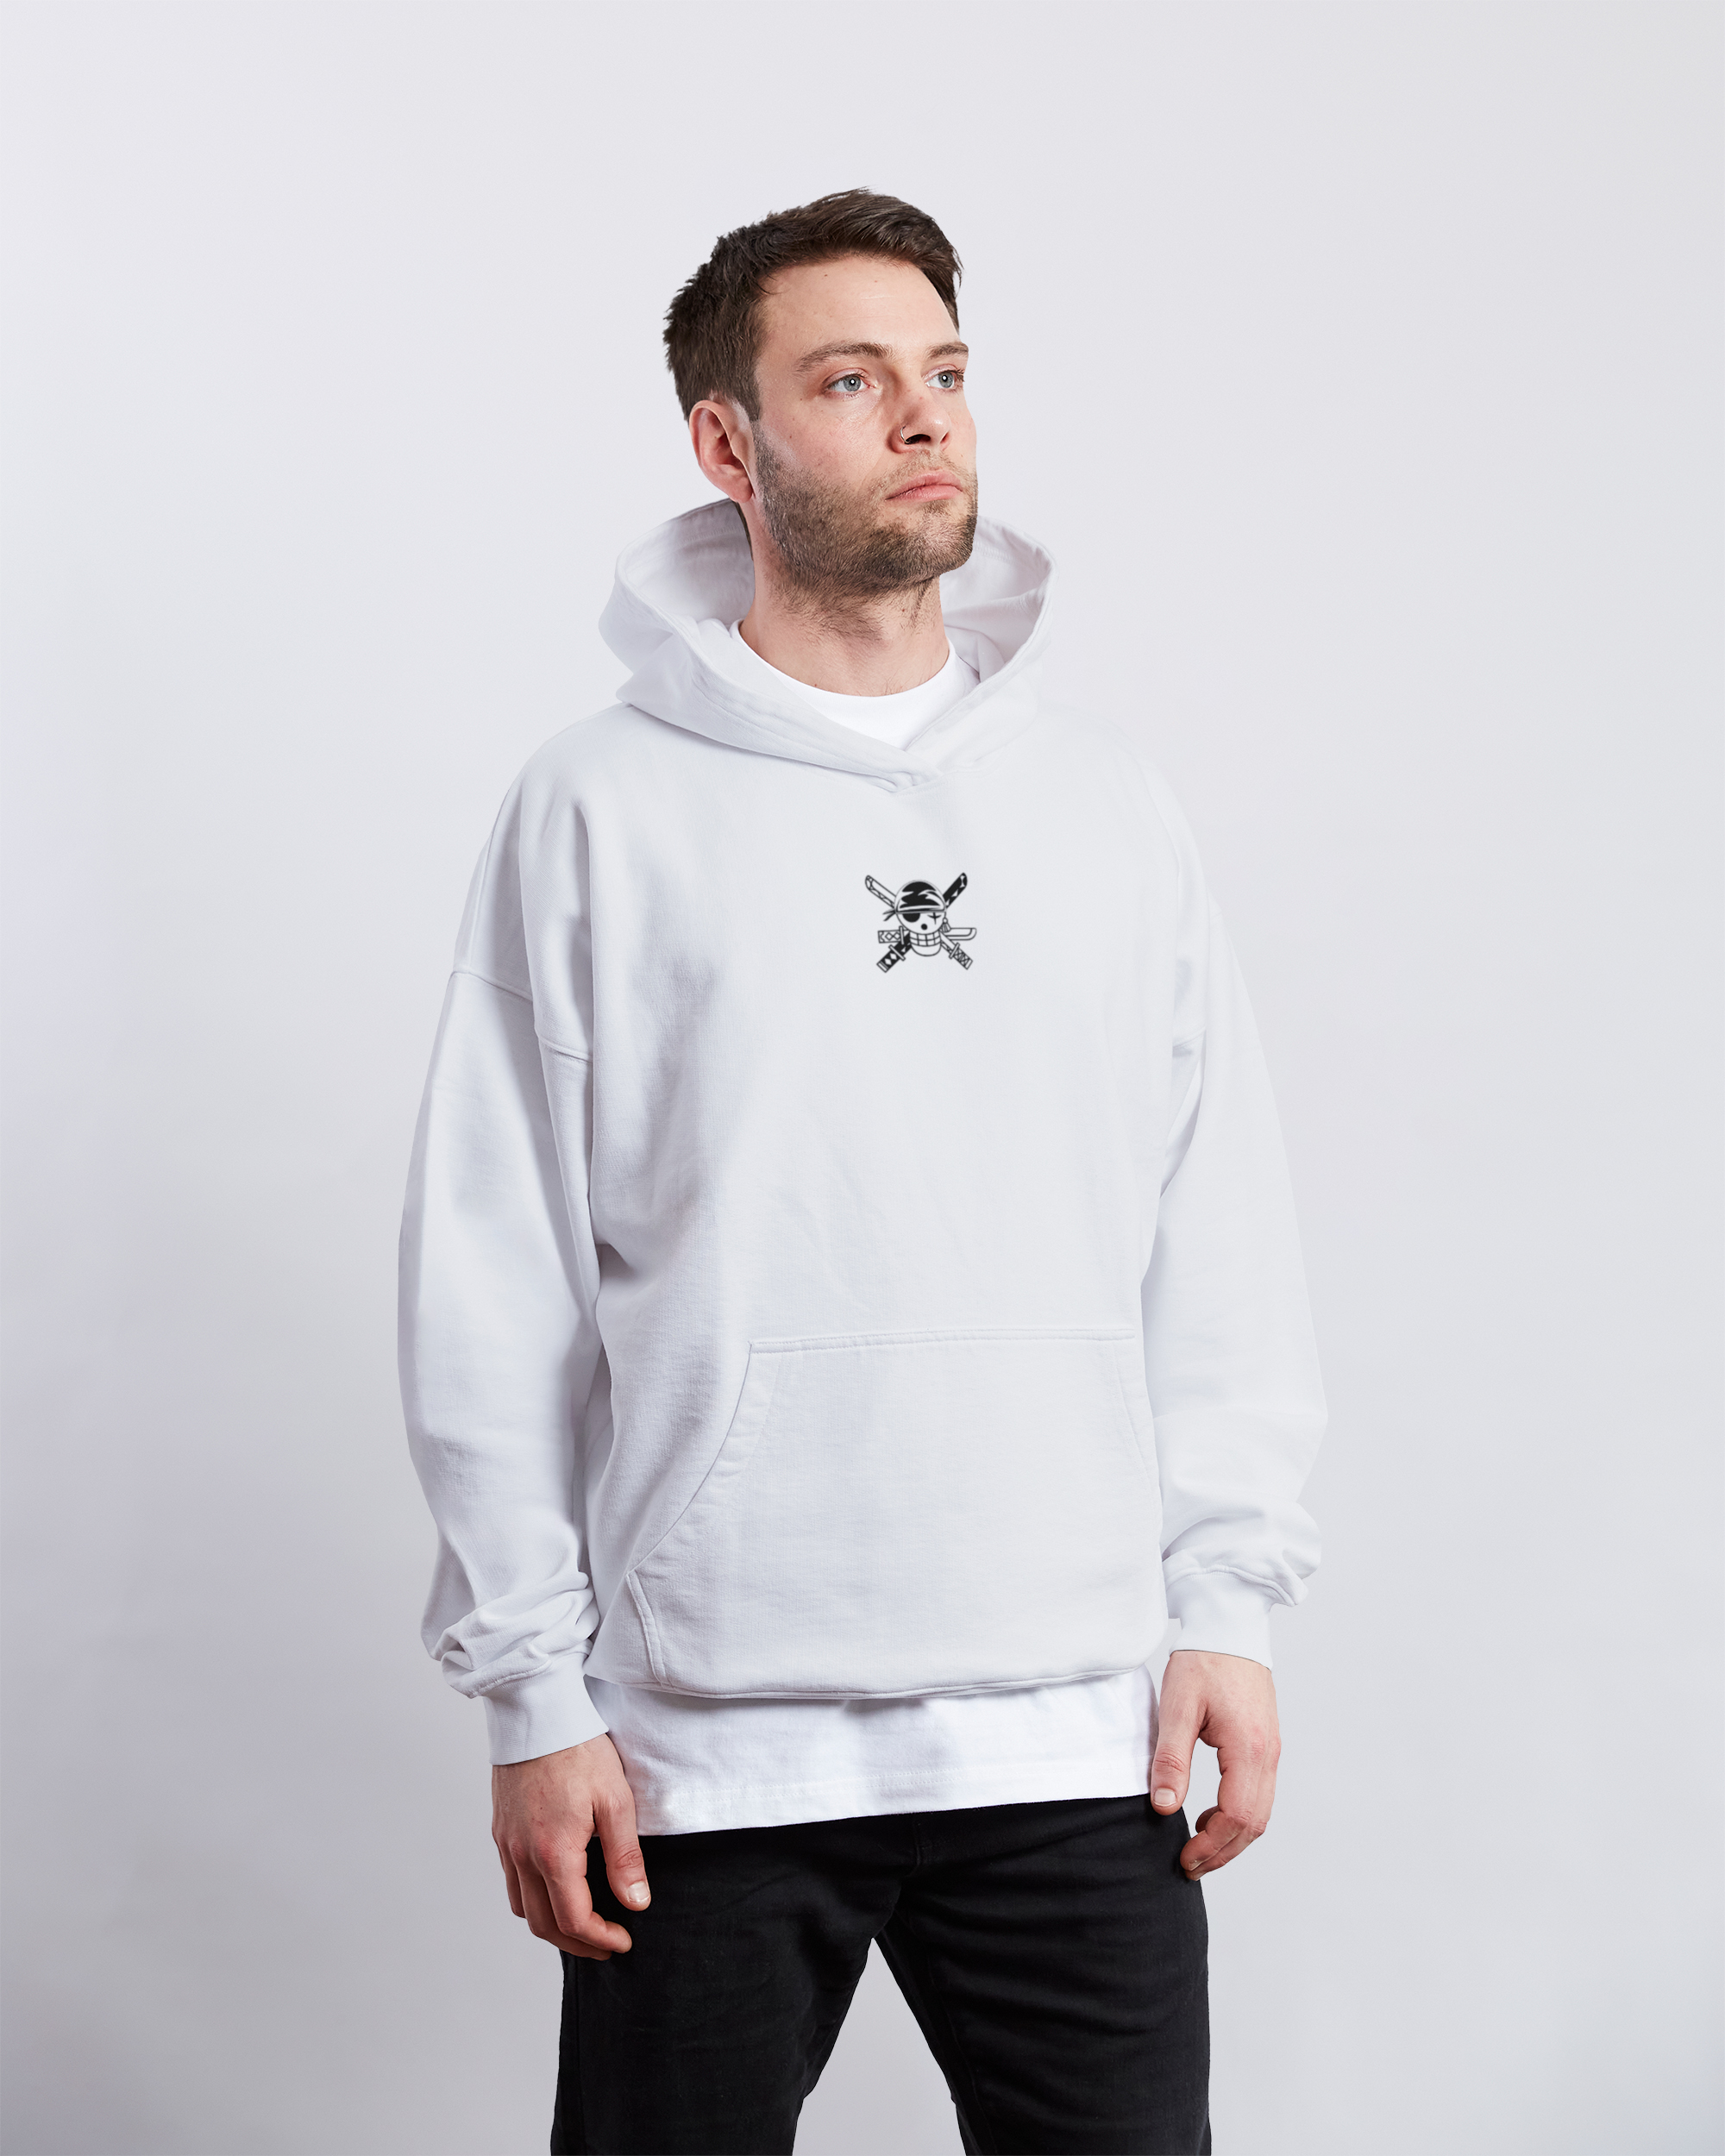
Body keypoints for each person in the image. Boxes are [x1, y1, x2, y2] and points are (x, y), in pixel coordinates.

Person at [398, 188, 1325, 2156]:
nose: (924, 418)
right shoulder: (597, 808)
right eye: (848, 379)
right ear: (726, 444)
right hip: (702, 1759)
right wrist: (531, 1693)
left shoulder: (1105, 808)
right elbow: (495, 1271)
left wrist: (1228, 1603)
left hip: (1081, 1737)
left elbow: (1215, 1230)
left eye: (946, 373)